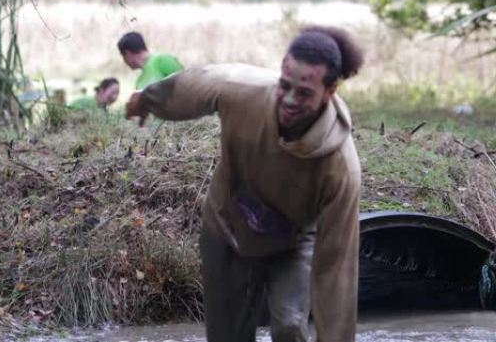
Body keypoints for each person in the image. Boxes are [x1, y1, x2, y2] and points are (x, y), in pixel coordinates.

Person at [126, 25, 363, 342]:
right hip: (227, 226)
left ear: (330, 91)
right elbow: (190, 86)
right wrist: (145, 101)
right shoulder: (242, 91)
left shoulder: (341, 168)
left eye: (305, 93)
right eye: (285, 86)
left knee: (290, 326)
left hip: (293, 243)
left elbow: (337, 271)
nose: (290, 101)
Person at [117, 31, 183, 90]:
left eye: (123, 56)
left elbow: (185, 85)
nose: (124, 61)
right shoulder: (139, 82)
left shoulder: (162, 60)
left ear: (127, 53)